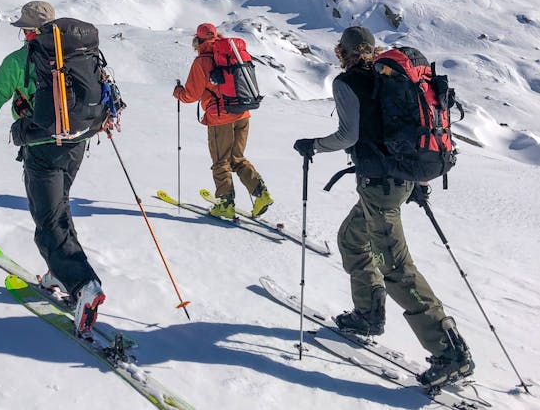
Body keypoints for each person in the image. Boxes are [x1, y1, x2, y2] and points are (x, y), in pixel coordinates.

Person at [292, 26, 474, 387]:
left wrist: (313, 145)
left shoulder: (349, 82)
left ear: (342, 52)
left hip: (381, 187)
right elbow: (403, 130)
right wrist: (417, 183)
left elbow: (349, 136)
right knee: (351, 239)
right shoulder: (388, 78)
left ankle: (450, 352)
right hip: (399, 182)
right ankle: (368, 314)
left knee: (396, 267)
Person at [0, 0, 105, 337]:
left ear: (29, 31)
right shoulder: (78, 55)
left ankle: (83, 286)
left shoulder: (19, 61)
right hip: (77, 143)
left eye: (23, 27)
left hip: (41, 148)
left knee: (48, 221)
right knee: (59, 208)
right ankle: (60, 271)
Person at [173, 22, 273, 219]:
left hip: (220, 118)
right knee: (237, 159)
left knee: (221, 162)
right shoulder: (232, 54)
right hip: (243, 113)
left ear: (198, 40)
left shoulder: (202, 62)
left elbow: (191, 95)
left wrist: (178, 92)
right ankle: (261, 194)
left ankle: (225, 204)